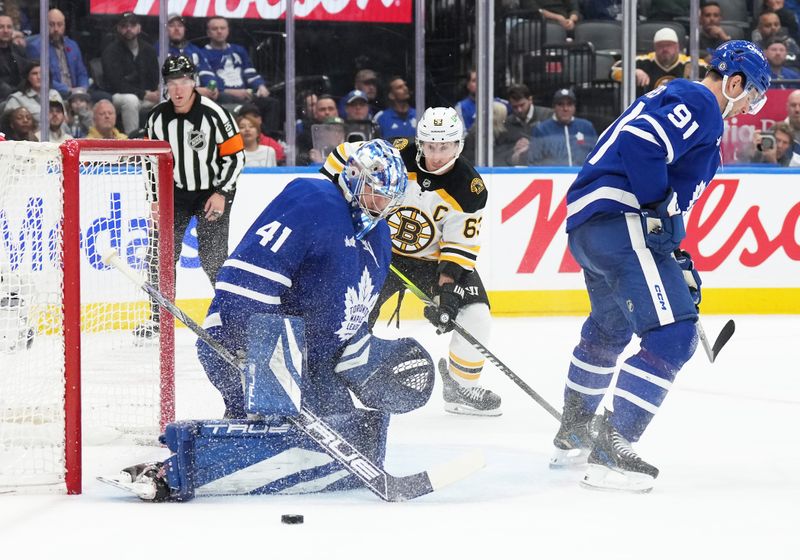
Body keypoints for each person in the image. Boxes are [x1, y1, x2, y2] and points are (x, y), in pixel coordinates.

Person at [107, 139, 421, 501]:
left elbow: (353, 321)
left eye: (389, 197)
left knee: (348, 438)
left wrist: (367, 363)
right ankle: (171, 469)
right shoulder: (313, 200)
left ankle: (244, 438)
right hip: (244, 343)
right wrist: (265, 357)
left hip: (310, 366)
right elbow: (245, 280)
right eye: (376, 192)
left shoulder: (379, 236)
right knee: (275, 433)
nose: (383, 205)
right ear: (353, 176)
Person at [550, 40, 771, 492]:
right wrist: (655, 212)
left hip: (594, 228)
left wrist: (671, 244)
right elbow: (641, 143)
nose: (749, 108)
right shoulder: (700, 100)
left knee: (609, 330)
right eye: (751, 95)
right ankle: (613, 449)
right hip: (621, 219)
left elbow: (666, 191)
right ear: (734, 82)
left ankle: (573, 434)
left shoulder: (689, 110)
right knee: (674, 334)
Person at [364, 107, 501, 416]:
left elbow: (458, 244)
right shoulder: (395, 154)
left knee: (476, 314)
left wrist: (447, 293)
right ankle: (333, 376)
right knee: (353, 310)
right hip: (381, 251)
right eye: (430, 146)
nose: (437, 155)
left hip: (432, 263)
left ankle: (459, 385)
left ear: (459, 145)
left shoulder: (468, 187)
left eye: (446, 146)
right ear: (420, 142)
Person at [134, 54, 244, 338]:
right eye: (172, 82)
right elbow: (150, 162)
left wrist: (222, 192)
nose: (178, 89)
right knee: (160, 257)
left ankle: (232, 320)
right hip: (175, 195)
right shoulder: (157, 118)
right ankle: (159, 318)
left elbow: (236, 157)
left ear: (193, 82)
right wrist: (155, 198)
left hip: (212, 192)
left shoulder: (215, 114)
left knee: (214, 258)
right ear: (166, 86)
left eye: (184, 81)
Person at [203, 16, 280, 133]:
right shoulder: (203, 53)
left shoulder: (239, 50)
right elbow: (208, 81)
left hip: (245, 95)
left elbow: (250, 71)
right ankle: (259, 135)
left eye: (222, 28)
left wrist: (260, 86)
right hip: (224, 96)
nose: (219, 31)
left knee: (272, 103)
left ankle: (269, 140)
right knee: (242, 105)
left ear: (228, 30)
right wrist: (232, 92)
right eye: (215, 29)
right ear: (208, 33)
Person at [100, 12, 160, 135]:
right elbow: (117, 83)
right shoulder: (111, 51)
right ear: (118, 28)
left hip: (146, 96)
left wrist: (157, 92)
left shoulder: (149, 50)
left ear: (139, 28)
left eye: (132, 25)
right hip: (117, 96)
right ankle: (132, 142)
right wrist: (143, 94)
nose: (128, 29)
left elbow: (155, 79)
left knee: (166, 99)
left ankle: (161, 140)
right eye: (124, 26)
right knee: (131, 100)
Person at [611, 27, 708, 96]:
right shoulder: (645, 61)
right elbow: (613, 71)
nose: (665, 49)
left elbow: (713, 73)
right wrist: (633, 71)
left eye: (669, 45)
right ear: (654, 47)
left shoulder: (689, 63)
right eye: (661, 45)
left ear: (677, 47)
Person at [25, 9, 90, 101]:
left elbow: (82, 73)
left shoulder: (72, 45)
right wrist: (69, 90)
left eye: (59, 25)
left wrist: (83, 88)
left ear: (64, 26)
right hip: (53, 95)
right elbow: (42, 78)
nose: (56, 29)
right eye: (51, 25)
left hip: (76, 94)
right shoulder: (36, 47)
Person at [529, 88, 598, 166]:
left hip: (583, 176)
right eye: (560, 104)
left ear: (574, 107)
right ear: (554, 107)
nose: (565, 109)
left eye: (569, 104)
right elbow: (533, 161)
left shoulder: (586, 127)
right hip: (554, 177)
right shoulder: (541, 130)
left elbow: (597, 156)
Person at [160, 13, 217, 100]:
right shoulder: (160, 49)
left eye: (180, 25)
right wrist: (194, 91)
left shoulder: (194, 50)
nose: (176, 29)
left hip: (197, 97)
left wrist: (212, 89)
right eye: (171, 25)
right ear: (164, 29)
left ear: (184, 29)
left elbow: (206, 72)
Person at [500, 83, 553, 166]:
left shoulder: (547, 116)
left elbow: (555, 143)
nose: (519, 110)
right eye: (515, 107)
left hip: (543, 166)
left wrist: (533, 145)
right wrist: (513, 149)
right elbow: (501, 151)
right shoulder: (507, 123)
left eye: (522, 105)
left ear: (530, 100)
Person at [3, 59, 64, 126]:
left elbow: (64, 120)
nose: (39, 77)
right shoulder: (17, 99)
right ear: (28, 77)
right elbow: (7, 125)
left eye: (42, 73)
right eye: (34, 74)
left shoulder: (55, 94)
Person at [0, 14, 29, 103]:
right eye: (1, 27)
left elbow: (27, 73)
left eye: (9, 27)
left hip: (21, 96)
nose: (5, 30)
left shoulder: (19, 50)